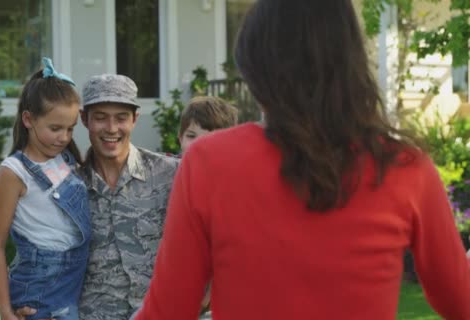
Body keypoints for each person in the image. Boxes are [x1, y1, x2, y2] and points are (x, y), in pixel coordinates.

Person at [135, 0, 470, 319]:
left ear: (257, 66)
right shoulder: (404, 167)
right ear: (351, 62)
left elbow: (168, 312)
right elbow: (461, 300)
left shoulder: (209, 163)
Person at [15, 74, 179, 320]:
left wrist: (204, 296)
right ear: (84, 119)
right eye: (100, 118)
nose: (111, 128)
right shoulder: (65, 186)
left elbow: (213, 236)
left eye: (121, 118)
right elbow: (37, 249)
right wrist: (21, 303)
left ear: (134, 119)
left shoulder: (171, 174)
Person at [0, 57, 91, 320]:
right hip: (39, 291)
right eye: (55, 128)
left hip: (73, 284)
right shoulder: (13, 172)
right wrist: (4, 310)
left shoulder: (66, 161)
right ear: (28, 119)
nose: (64, 138)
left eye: (70, 129)